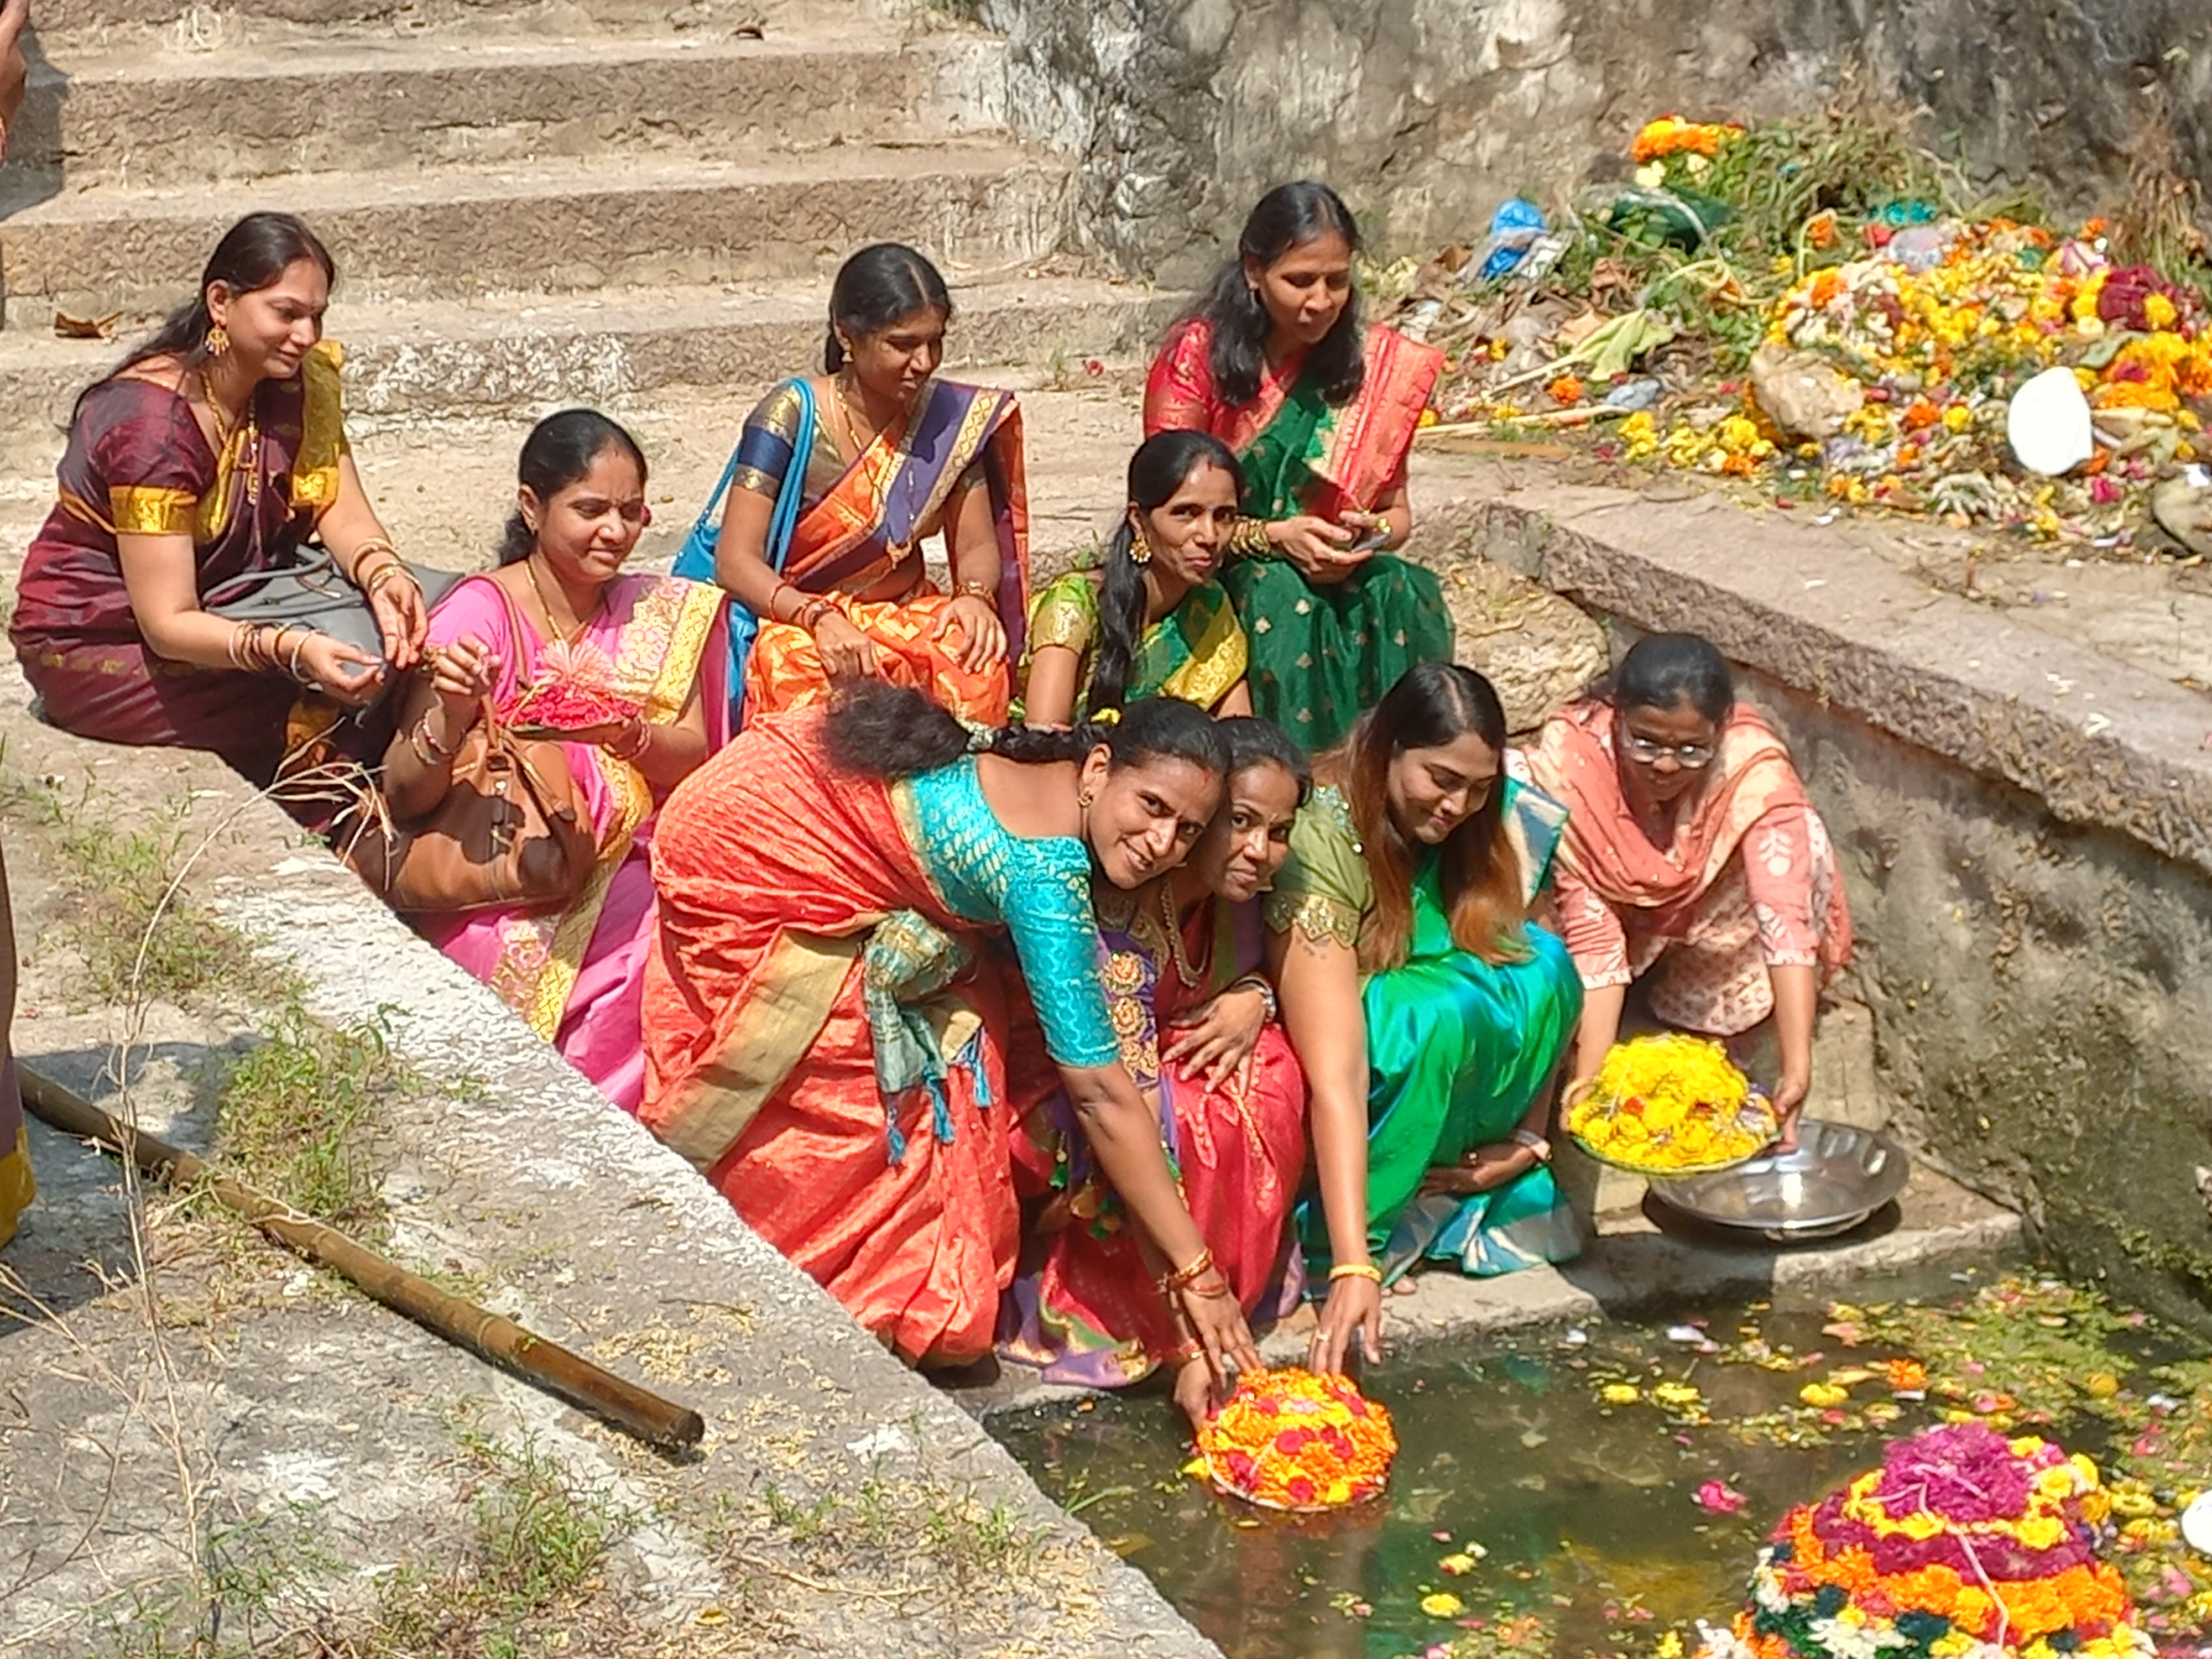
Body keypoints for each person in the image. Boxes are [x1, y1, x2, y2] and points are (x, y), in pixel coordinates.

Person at [639, 685, 1266, 1383]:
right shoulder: (1044, 875)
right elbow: (1100, 1096)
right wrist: (1199, 1274)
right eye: (1152, 807)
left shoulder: (1043, 771)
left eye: (1186, 831)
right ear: (1096, 770)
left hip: (775, 784)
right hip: (749, 843)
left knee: (976, 1010)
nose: (1161, 844)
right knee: (913, 1066)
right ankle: (821, 1286)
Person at [379, 410, 726, 1113]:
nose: (616, 531)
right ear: (532, 507)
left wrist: (623, 733)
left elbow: (694, 757)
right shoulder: (478, 616)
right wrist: (451, 714)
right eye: (590, 510)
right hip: (514, 873)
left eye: (632, 512)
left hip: (635, 855)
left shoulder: (657, 611)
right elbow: (405, 794)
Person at [9, 212, 428, 784]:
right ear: (221, 302)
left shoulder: (297, 385)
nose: (305, 336)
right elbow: (167, 622)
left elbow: (340, 508)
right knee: (350, 695)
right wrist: (293, 650)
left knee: (434, 629)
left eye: (316, 316)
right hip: (105, 641)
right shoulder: (152, 425)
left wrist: (384, 576)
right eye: (286, 313)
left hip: (237, 605)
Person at [1270, 664, 1583, 1360]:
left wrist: (1531, 1142)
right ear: (1387, 749)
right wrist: (1354, 1262)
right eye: (1440, 779)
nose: (1457, 807)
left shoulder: (1473, 822)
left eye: (1477, 788)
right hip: (1329, 1005)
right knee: (1434, 1013)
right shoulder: (1322, 828)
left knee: (1545, 966)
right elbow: (1334, 1063)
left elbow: (1534, 946)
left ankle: (1456, 1188)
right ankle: (1353, 1234)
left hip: (1419, 980)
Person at [1003, 718, 1310, 1426]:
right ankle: (1158, 1316)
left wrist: (1255, 997)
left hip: (1141, 1077)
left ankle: (1231, 1282)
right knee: (1191, 1114)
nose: (1259, 852)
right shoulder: (1122, 917)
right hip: (1067, 1102)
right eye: (1237, 823)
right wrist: (1188, 1333)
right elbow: (1119, 1106)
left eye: (1278, 830)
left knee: (1266, 1073)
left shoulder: (1241, 902)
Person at [1144, 180, 1452, 750]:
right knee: (1279, 597)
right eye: (1300, 281)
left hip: (1331, 564)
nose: (1320, 301)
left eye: (1337, 281)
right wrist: (1276, 537)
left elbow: (1397, 517)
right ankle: (1289, 783)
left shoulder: (1368, 367)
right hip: (1217, 561)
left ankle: (1391, 775)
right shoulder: (1198, 355)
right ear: (1253, 272)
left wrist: (1366, 536)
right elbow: (1170, 509)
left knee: (1400, 590)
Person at [1521, 633, 1854, 1150]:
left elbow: (1784, 919)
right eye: (1646, 743)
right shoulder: (1576, 768)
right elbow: (1594, 939)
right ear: (1616, 717)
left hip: (1706, 933)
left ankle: (1694, 1000)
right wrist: (1590, 1078)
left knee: (1796, 833)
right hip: (1595, 925)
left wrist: (1797, 1065)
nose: (1667, 766)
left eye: (1692, 750)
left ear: (1721, 732)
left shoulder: (1749, 766)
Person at [694, 242, 1027, 727]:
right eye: (903, 344)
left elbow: (975, 543)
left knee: (972, 660)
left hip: (907, 612)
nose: (925, 361)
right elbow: (736, 560)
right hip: (801, 619)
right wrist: (817, 618)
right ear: (847, 336)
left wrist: (974, 597)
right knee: (798, 668)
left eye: (935, 342)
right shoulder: (791, 414)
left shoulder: (949, 420)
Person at [1020, 430, 1253, 727]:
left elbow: (1240, 736)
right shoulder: (1074, 605)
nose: (1209, 536)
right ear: (1138, 520)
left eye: (1224, 516)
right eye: (1185, 514)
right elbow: (1043, 741)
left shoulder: (1210, 608)